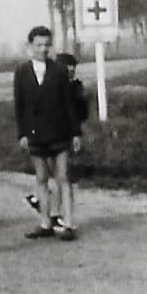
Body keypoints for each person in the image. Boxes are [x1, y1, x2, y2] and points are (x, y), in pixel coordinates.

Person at [13, 26, 82, 241]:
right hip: (35, 134)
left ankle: (68, 224)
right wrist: (22, 133)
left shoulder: (59, 71)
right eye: (38, 45)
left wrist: (75, 133)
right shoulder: (21, 72)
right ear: (30, 46)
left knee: (62, 177)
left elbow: (69, 105)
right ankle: (45, 223)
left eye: (47, 45)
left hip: (59, 132)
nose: (43, 49)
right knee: (41, 178)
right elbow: (19, 105)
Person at [22, 52, 89, 226]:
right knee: (51, 174)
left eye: (72, 71)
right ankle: (51, 209)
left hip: (64, 135)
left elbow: (81, 114)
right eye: (67, 71)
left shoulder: (73, 89)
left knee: (61, 176)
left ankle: (56, 211)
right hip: (48, 135)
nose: (69, 74)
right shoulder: (50, 86)